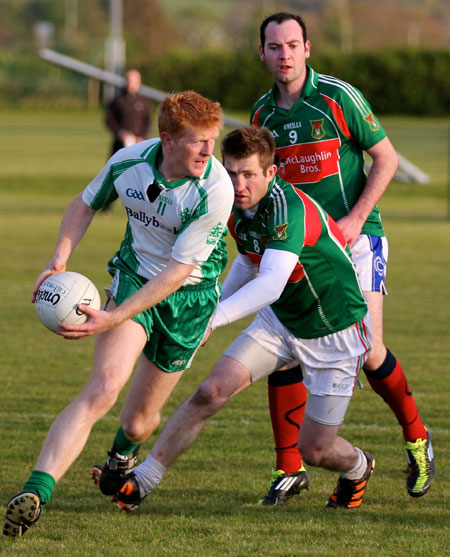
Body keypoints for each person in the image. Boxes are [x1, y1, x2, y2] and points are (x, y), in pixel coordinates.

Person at [98, 125, 375, 514]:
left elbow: (272, 283)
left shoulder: (287, 208)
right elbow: (248, 258)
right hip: (280, 323)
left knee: (315, 449)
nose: (238, 183)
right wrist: (213, 310)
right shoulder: (232, 204)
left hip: (335, 331)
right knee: (209, 392)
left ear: (271, 173)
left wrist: (212, 318)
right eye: (230, 172)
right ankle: (142, 481)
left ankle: (359, 467)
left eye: (248, 174)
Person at [3, 91, 234, 539]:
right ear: (167, 139)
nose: (209, 151)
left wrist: (112, 317)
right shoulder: (129, 162)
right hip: (133, 280)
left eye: (212, 140)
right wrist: (59, 258)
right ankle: (36, 492)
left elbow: (177, 274)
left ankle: (120, 456)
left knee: (138, 422)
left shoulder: (215, 189)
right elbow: (84, 203)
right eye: (197, 141)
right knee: (104, 389)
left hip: (188, 300)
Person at [250, 12, 434, 506]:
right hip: (301, 249)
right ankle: (289, 468)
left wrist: (353, 220)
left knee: (369, 350)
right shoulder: (263, 116)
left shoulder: (338, 97)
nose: (284, 54)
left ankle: (417, 439)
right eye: (274, 46)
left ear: (307, 48)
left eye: (292, 44)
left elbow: (387, 158)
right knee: (283, 346)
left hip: (355, 239)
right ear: (262, 53)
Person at [106, 69, 151, 155]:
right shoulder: (117, 100)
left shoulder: (144, 101)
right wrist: (120, 132)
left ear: (139, 82)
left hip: (140, 144)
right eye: (129, 81)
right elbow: (109, 120)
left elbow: (148, 122)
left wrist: (142, 137)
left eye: (134, 81)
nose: (131, 84)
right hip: (120, 144)